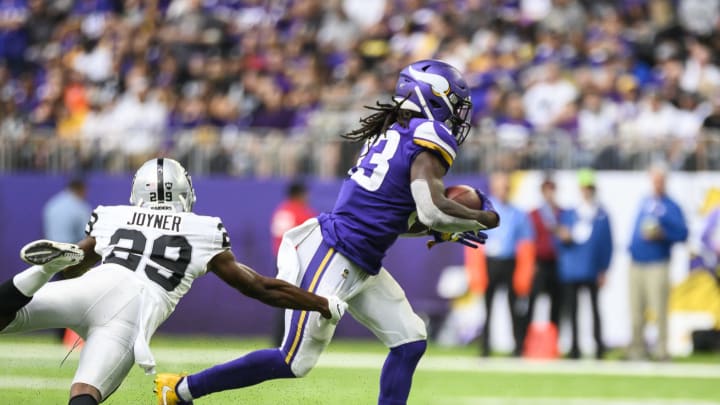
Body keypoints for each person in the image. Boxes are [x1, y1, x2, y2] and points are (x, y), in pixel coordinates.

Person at [155, 59, 499, 405]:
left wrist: (440, 229)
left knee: (410, 340)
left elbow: (398, 218)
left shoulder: (394, 134)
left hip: (360, 258)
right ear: (432, 98)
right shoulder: (427, 135)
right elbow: (431, 208)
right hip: (335, 251)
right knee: (293, 361)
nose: (457, 115)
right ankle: (180, 389)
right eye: (454, 104)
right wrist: (483, 218)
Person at [0, 158, 344, 405]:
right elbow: (259, 287)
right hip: (132, 312)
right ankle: (40, 273)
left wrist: (55, 267)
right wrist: (321, 302)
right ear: (184, 192)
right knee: (85, 393)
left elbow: (72, 268)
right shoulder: (203, 229)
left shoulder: (112, 215)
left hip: (93, 285)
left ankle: (36, 273)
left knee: (10, 312)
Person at [465, 172, 535, 357]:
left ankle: (518, 346)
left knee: (514, 306)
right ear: (494, 188)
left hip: (510, 262)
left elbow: (526, 242)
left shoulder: (518, 214)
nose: (504, 190)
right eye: (500, 186)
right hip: (490, 262)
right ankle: (485, 346)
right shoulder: (484, 211)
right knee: (488, 306)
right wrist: (475, 269)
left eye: (506, 186)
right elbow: (475, 239)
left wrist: (524, 271)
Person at [626, 164, 688, 361]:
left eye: (660, 180)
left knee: (659, 308)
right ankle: (637, 349)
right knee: (636, 309)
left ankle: (662, 350)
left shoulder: (671, 206)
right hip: (637, 262)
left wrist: (663, 234)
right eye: (654, 180)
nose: (657, 184)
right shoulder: (645, 201)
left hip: (657, 263)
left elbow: (683, 233)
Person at [555, 169, 613, 359]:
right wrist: (563, 237)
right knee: (572, 311)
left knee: (595, 310)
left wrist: (604, 269)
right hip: (572, 269)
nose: (586, 191)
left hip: (591, 269)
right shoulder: (571, 213)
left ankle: (599, 347)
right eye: (584, 188)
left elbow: (607, 244)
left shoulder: (601, 215)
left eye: (589, 187)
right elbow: (559, 241)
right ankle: (574, 348)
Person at [43, 177, 92, 344]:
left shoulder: (52, 205)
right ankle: (75, 336)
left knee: (59, 297)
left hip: (52, 255)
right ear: (80, 189)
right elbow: (86, 236)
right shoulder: (79, 207)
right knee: (77, 298)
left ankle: (59, 334)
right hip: (73, 257)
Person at [270, 181, 317, 346]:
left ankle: (280, 339)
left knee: (283, 301)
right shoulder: (302, 212)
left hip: (281, 261)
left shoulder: (282, 210)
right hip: (298, 263)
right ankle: (297, 339)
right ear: (300, 194)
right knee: (303, 301)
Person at [527, 175, 562, 329]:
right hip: (539, 263)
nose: (549, 194)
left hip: (556, 263)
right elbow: (529, 240)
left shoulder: (561, 213)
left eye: (552, 190)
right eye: (546, 190)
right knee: (531, 301)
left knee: (557, 302)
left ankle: (553, 339)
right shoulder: (534, 214)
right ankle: (525, 340)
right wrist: (532, 262)